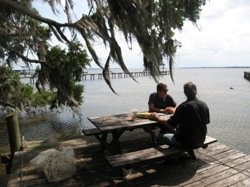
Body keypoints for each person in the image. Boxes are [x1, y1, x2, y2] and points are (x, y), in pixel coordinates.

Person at [156, 81, 210, 159]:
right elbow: (206, 122)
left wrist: (159, 118)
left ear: (184, 92)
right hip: (201, 139)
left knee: (160, 137)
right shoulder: (204, 105)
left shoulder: (183, 107)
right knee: (183, 132)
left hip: (185, 142)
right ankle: (188, 153)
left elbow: (171, 124)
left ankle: (175, 156)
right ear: (196, 91)